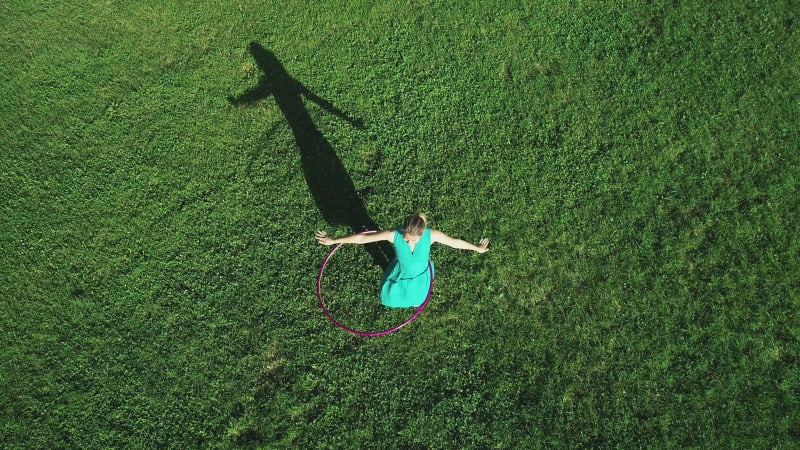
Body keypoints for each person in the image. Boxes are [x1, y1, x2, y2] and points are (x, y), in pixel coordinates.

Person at [315, 214, 489, 307]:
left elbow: (454, 242)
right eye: (406, 238)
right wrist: (333, 240)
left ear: (422, 233)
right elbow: (362, 239)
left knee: (417, 298)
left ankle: (415, 301)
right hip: (401, 273)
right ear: (404, 229)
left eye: (413, 240)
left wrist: (477, 248)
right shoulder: (394, 234)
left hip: (420, 276)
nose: (409, 242)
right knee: (391, 296)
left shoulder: (431, 235)